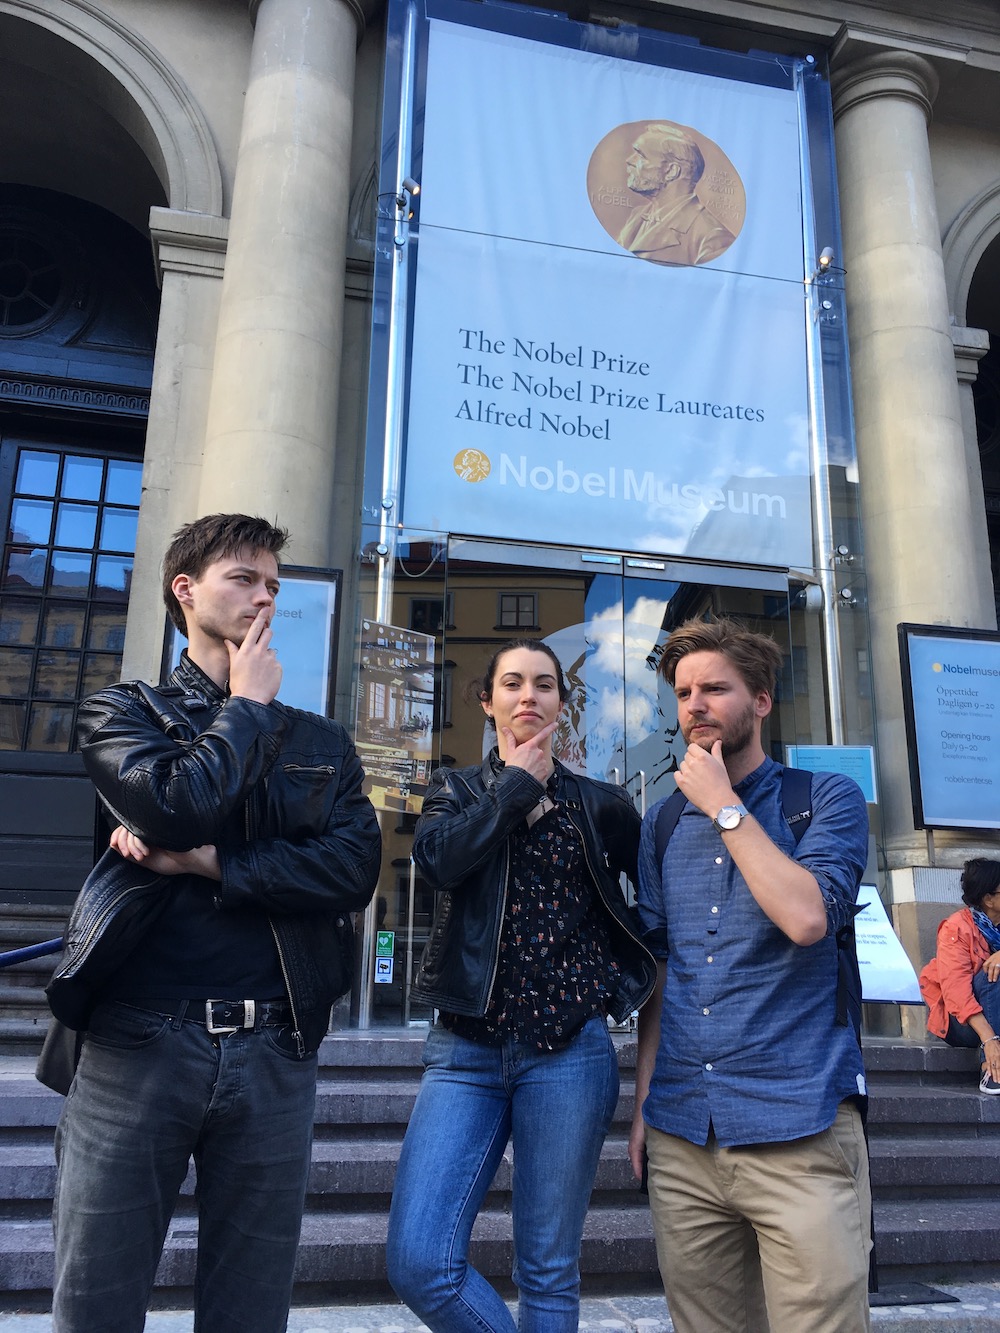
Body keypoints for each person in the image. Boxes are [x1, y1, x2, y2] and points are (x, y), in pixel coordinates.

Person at [46, 513, 381, 1333]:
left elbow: (353, 871)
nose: (265, 596)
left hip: (275, 1046)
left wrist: (212, 863)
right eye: (244, 578)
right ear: (185, 590)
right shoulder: (121, 713)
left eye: (274, 584)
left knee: (250, 1311)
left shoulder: (322, 741)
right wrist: (247, 707)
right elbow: (177, 805)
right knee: (95, 1302)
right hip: (138, 1040)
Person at [386, 638, 656, 1333]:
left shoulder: (602, 804)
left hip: (570, 1054)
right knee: (420, 1261)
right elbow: (439, 864)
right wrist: (515, 789)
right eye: (512, 683)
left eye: (543, 683)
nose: (528, 695)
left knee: (548, 1269)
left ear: (562, 703)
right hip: (465, 1051)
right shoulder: (454, 791)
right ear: (487, 701)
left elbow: (653, 915)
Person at [629, 617, 871, 1333]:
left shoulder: (825, 798)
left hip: (798, 1125)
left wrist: (725, 807)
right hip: (683, 1133)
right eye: (683, 693)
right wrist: (643, 1105)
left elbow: (807, 918)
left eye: (715, 689)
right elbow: (662, 973)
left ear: (762, 700)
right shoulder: (660, 824)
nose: (695, 705)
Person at [919, 857, 1000, 1094]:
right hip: (962, 1023)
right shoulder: (956, 928)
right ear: (989, 899)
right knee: (993, 974)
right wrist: (990, 1041)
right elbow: (957, 995)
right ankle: (991, 1068)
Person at [616, 123, 736, 266]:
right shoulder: (637, 216)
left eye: (641, 156)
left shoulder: (713, 239)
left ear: (671, 171)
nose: (629, 160)